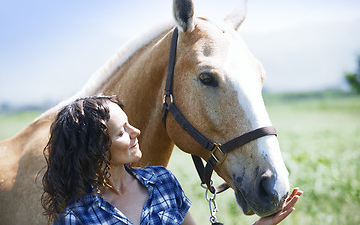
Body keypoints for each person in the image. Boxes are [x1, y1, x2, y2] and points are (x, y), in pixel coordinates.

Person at [41, 96, 302, 225]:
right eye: (122, 132)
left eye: (130, 124)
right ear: (93, 148)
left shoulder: (162, 181)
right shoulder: (76, 217)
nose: (136, 133)